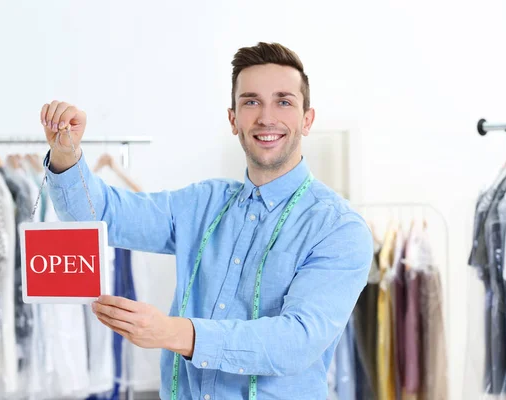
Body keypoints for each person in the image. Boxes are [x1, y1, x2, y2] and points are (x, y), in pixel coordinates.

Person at [39, 42, 373, 400]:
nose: (266, 117)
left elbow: (296, 340)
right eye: (251, 101)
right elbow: (100, 215)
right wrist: (65, 153)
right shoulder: (202, 204)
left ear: (307, 119)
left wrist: (174, 334)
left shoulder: (339, 228)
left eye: (284, 101)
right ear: (233, 119)